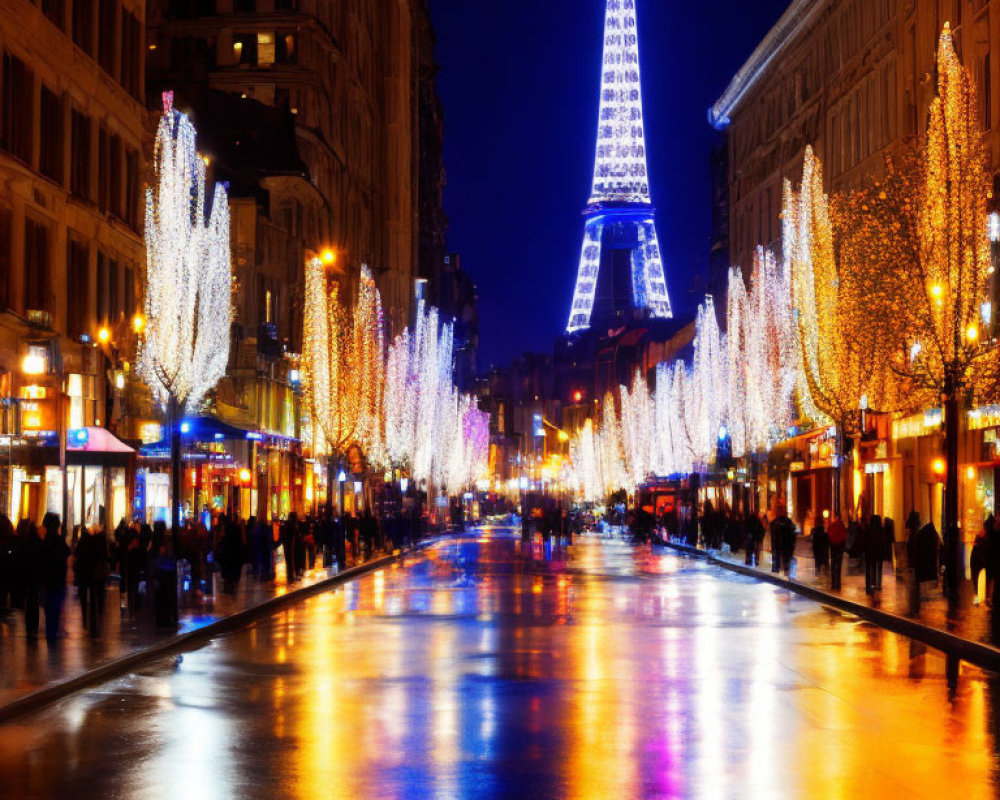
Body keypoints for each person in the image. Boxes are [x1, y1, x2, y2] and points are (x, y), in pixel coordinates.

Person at [40, 513, 69, 640]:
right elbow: (66, 552)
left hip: (48, 580)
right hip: (57, 580)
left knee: (50, 609)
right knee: (55, 608)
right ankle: (53, 631)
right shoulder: (58, 540)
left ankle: (50, 632)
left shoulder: (45, 541)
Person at [15, 519, 42, 639]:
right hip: (36, 576)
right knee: (34, 601)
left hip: (28, 576)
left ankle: (29, 628)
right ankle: (34, 627)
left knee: (29, 602)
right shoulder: (39, 544)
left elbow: (20, 561)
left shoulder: (25, 544)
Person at [770, 505, 795, 575]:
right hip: (784, 545)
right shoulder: (787, 522)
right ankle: (783, 572)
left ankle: (779, 571)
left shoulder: (775, 523)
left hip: (782, 545)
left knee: (780, 560)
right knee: (783, 560)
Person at [864, 514, 884, 596]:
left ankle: (870, 583)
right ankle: (878, 583)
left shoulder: (869, 529)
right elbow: (883, 541)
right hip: (879, 551)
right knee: (878, 567)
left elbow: (865, 540)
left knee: (870, 567)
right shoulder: (881, 529)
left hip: (869, 551)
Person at [828, 514, 847, 591]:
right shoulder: (842, 526)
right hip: (839, 547)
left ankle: (833, 583)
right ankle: (838, 583)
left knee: (833, 565)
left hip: (833, 546)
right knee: (838, 565)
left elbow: (829, 534)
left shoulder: (832, 525)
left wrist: (832, 542)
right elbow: (844, 536)